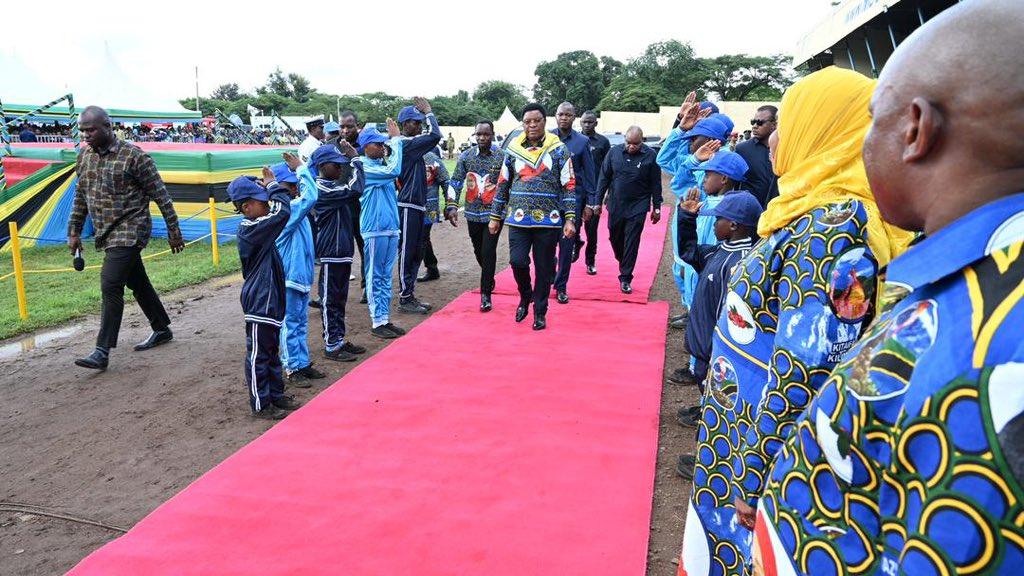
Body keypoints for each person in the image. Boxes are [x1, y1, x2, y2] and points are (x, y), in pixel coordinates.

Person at [754, 2, 1024, 574]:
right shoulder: (968, 285)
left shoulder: (991, 360)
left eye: (874, 119)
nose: (862, 144)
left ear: (916, 129)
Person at [675, 67, 914, 576]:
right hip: (745, 431)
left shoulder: (832, 231)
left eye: (787, 121)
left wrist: (754, 476)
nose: (774, 136)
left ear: (821, 130)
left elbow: (806, 369)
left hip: (760, 452)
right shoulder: (811, 211)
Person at [68, 106, 185, 370]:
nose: (86, 135)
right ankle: (161, 328)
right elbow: (80, 196)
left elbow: (161, 196)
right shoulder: (84, 157)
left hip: (131, 228)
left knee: (111, 284)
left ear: (108, 127)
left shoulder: (135, 157)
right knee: (137, 281)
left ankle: (102, 351)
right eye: (83, 130)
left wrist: (174, 231)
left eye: (91, 130)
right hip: (105, 231)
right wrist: (74, 231)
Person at [674, 189, 761, 436]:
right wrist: (686, 218)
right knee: (709, 396)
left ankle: (709, 449)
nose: (713, 224)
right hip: (705, 351)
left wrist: (717, 353)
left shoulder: (740, 263)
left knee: (721, 405)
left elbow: (730, 316)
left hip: (717, 355)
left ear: (733, 225)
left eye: (718, 219)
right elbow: (689, 252)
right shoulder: (720, 251)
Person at [489, 103, 577, 330]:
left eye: (537, 121)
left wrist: (570, 218)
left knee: (544, 268)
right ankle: (525, 294)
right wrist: (495, 215)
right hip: (518, 219)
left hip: (548, 220)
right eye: (528, 122)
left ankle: (540, 311)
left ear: (545, 122)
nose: (532, 125)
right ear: (523, 124)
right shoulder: (512, 150)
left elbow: (569, 185)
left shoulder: (558, 150)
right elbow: (503, 183)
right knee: (517, 262)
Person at [666, 149, 749, 387]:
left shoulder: (730, 210)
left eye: (708, 174)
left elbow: (711, 251)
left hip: (708, 277)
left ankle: (701, 373)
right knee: (698, 319)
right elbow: (677, 183)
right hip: (698, 271)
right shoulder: (708, 201)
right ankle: (697, 367)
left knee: (708, 325)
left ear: (723, 178)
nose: (703, 179)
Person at [228, 171, 303, 420]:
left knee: (271, 353)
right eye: (263, 201)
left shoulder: (259, 227)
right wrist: (272, 184)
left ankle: (275, 395)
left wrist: (269, 188)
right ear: (246, 207)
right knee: (259, 355)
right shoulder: (250, 229)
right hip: (260, 301)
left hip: (270, 301)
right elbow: (283, 212)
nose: (268, 205)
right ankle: (261, 403)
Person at [656, 95, 717, 328]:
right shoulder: (691, 154)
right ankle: (689, 309)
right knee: (680, 267)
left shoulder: (718, 162)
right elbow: (663, 159)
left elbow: (679, 184)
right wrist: (681, 126)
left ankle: (696, 315)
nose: (691, 139)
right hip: (684, 219)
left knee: (696, 270)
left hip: (704, 222)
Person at [270, 156, 327, 386]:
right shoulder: (287, 211)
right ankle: (292, 367)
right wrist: (302, 169)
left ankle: (301, 362)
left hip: (300, 276)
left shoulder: (294, 207)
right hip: (290, 277)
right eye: (289, 185)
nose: (294, 189)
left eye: (295, 184)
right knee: (291, 323)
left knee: (300, 322)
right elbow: (311, 196)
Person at [311, 144, 368, 362]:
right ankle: (332, 344)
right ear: (322, 166)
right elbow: (355, 189)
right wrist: (356, 160)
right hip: (331, 252)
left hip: (341, 251)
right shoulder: (322, 189)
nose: (339, 168)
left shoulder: (332, 186)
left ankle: (339, 339)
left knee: (339, 299)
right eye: (336, 165)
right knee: (330, 300)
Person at [592, 126, 662, 294]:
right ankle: (623, 259)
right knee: (614, 236)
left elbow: (656, 183)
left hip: (638, 205)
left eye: (635, 144)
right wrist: (597, 202)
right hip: (616, 203)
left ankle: (625, 277)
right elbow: (603, 178)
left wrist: (657, 207)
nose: (631, 146)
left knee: (632, 241)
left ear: (642, 141)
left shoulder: (650, 155)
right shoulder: (614, 152)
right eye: (628, 143)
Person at [445, 120, 504, 312]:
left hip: (494, 213)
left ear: (492, 135)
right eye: (479, 134)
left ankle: (485, 294)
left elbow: (508, 182)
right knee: (478, 249)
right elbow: (456, 181)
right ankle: (489, 275)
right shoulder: (466, 156)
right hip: (472, 213)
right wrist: (452, 206)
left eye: (486, 134)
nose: (482, 138)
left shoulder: (502, 156)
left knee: (488, 250)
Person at [357, 121, 409, 339]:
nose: (382, 147)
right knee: (374, 275)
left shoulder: (380, 165)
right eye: (377, 144)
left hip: (390, 228)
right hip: (374, 229)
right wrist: (396, 140)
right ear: (366, 146)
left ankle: (384, 318)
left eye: (383, 143)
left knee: (385, 276)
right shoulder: (363, 167)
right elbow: (394, 170)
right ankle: (377, 321)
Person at [395, 97, 442, 314]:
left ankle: (409, 294)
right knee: (407, 251)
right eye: (416, 122)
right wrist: (429, 111)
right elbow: (435, 135)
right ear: (405, 124)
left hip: (414, 204)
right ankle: (405, 297)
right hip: (408, 204)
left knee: (414, 251)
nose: (420, 125)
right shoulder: (407, 144)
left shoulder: (407, 144)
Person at [550, 102, 596, 304]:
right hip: (548, 201)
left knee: (566, 246)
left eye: (568, 115)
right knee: (546, 245)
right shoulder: (547, 138)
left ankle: (561, 286)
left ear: (574, 117)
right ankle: (550, 276)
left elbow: (590, 174)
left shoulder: (582, 142)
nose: (564, 118)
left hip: (572, 202)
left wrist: (591, 203)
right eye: (561, 114)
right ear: (555, 115)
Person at [579, 111, 610, 275]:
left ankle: (590, 261)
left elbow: (609, 169)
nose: (587, 125)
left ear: (596, 123)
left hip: (594, 192)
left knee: (591, 230)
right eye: (584, 122)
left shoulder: (603, 142)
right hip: (575, 191)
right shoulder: (574, 140)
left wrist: (608, 192)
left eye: (590, 122)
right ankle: (576, 243)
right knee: (571, 223)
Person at [734, 105, 779, 208]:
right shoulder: (742, 149)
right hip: (749, 210)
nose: (754, 126)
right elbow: (735, 183)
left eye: (759, 122)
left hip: (778, 209)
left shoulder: (785, 148)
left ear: (774, 125)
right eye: (753, 122)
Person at [416, 149, 450, 283]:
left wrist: (449, 204)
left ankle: (427, 268)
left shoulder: (431, 158)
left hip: (429, 205)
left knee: (422, 237)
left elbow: (445, 180)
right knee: (418, 238)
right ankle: (431, 268)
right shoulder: (405, 154)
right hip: (409, 205)